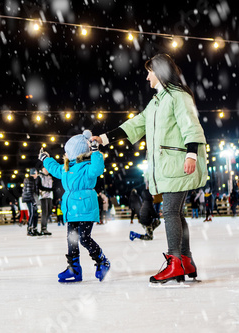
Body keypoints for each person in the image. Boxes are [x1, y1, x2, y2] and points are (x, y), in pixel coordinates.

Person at [92, 53, 207, 284]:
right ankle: (185, 260)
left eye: (149, 72)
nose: (147, 77)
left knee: (170, 212)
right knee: (176, 212)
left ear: (160, 72)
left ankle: (176, 262)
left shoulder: (178, 96)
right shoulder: (156, 103)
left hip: (179, 164)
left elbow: (190, 125)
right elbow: (135, 125)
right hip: (168, 166)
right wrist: (104, 139)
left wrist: (192, 154)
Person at [40, 130, 110, 282]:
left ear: (74, 152)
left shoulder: (87, 166)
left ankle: (102, 261)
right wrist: (46, 159)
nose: (65, 154)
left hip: (85, 207)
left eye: (67, 151)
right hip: (71, 209)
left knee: (84, 238)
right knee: (72, 239)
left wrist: (95, 151)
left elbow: (98, 168)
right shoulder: (66, 168)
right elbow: (54, 169)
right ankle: (74, 269)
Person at [22, 169, 39, 236]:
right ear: (34, 173)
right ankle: (29, 229)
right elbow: (29, 192)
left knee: (35, 213)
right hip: (29, 199)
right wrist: (33, 201)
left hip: (30, 198)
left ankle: (34, 229)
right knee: (32, 213)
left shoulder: (32, 180)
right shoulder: (30, 180)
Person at [37, 167, 53, 235]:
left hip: (49, 196)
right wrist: (48, 190)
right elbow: (39, 186)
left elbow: (52, 186)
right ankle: (43, 228)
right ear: (42, 169)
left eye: (47, 169)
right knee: (45, 212)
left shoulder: (49, 177)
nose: (46, 170)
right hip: (43, 196)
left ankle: (45, 227)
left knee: (49, 211)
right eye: (45, 169)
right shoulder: (40, 177)